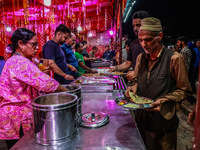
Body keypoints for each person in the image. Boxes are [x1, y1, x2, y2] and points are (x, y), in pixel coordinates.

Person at [125, 17, 192, 150]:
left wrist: (163, 101)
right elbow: (141, 82)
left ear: (159, 36)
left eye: (148, 39)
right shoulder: (140, 58)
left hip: (163, 125)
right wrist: (133, 88)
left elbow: (184, 90)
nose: (144, 44)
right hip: (142, 121)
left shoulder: (174, 58)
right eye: (141, 40)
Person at [0, 28, 67, 149]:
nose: (37, 48)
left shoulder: (17, 60)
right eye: (34, 44)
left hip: (14, 115)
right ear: (20, 44)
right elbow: (47, 83)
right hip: (17, 117)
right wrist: (68, 93)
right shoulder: (19, 62)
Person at [109, 11, 149, 80]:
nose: (135, 29)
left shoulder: (152, 45)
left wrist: (136, 73)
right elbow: (128, 63)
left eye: (138, 25)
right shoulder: (133, 44)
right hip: (136, 82)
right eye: (134, 26)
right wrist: (115, 68)